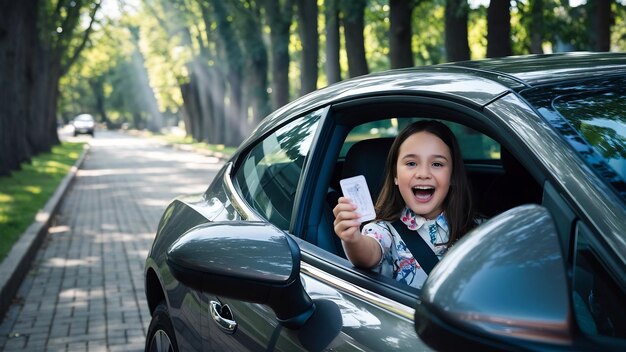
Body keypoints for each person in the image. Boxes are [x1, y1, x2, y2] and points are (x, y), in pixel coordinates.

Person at [333, 120, 478, 289]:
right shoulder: (384, 230)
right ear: (395, 175)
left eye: (437, 164)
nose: (423, 174)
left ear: (452, 175)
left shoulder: (481, 230)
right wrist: (353, 239)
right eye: (411, 163)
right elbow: (368, 253)